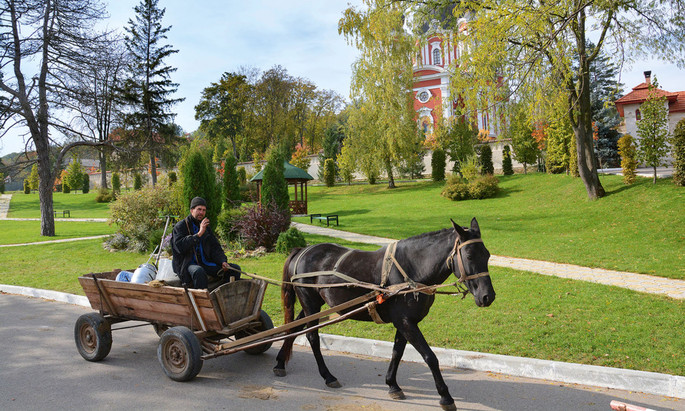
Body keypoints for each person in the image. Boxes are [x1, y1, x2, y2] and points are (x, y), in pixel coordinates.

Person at [171, 196, 241, 289]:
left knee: (234, 269)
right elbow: (180, 247)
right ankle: (201, 301)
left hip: (205, 263)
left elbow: (215, 247)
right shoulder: (181, 226)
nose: (201, 212)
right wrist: (198, 234)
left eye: (204, 210)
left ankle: (224, 296)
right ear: (192, 210)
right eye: (199, 209)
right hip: (187, 264)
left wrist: (222, 261)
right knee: (198, 272)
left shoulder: (206, 227)